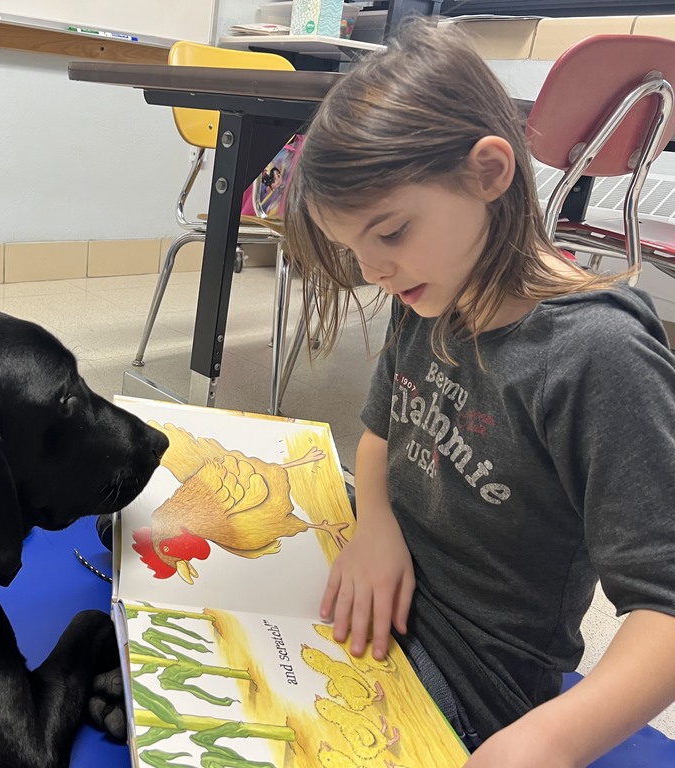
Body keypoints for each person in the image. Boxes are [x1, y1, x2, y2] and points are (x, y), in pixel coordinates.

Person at [284, 21, 675, 768]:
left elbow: (667, 602)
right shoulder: (433, 289)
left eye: (390, 232)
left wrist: (550, 742)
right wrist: (377, 528)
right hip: (376, 611)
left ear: (490, 172)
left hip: (471, 687)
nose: (374, 271)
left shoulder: (595, 354)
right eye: (354, 249)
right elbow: (377, 437)